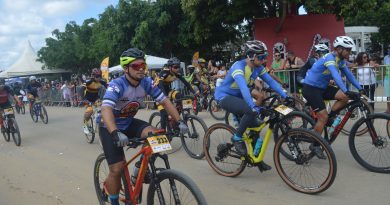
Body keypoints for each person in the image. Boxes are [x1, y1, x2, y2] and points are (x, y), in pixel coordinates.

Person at [99, 48, 188, 205]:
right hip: (109, 126)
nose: (141, 68)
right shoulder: (117, 85)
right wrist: (114, 133)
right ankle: (113, 201)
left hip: (128, 122)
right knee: (117, 168)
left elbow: (165, 101)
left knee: (156, 134)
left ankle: (138, 169)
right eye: (136, 66)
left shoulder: (146, 82)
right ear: (126, 68)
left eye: (143, 65)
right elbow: (106, 109)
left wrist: (179, 121)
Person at [215, 40, 293, 170]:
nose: (263, 60)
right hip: (224, 96)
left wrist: (286, 95)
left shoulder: (258, 68)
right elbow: (244, 89)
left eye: (265, 57)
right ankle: (237, 137)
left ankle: (256, 160)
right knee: (250, 111)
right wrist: (252, 106)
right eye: (261, 57)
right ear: (251, 55)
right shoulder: (238, 67)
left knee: (256, 126)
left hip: (239, 97)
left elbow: (271, 82)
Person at [302, 36, 364, 158]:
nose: (350, 53)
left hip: (323, 87)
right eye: (348, 50)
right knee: (322, 117)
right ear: (340, 49)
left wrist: (360, 87)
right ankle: (315, 145)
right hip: (311, 89)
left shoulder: (340, 60)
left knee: (344, 98)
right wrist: (346, 90)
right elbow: (336, 76)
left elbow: (349, 75)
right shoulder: (329, 58)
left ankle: (330, 117)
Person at [154, 57, 195, 130]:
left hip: (168, 90)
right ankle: (162, 133)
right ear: (170, 67)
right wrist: (164, 96)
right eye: (175, 67)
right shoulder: (164, 72)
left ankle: (175, 120)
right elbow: (160, 84)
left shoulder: (176, 74)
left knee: (181, 97)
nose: (177, 69)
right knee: (164, 115)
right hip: (158, 92)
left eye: (178, 67)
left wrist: (194, 93)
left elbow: (186, 83)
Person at [82, 68, 107, 134]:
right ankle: (85, 125)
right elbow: (81, 90)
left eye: (100, 76)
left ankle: (98, 121)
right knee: (90, 111)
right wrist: (83, 99)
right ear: (93, 76)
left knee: (103, 108)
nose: (98, 78)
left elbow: (109, 90)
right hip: (87, 99)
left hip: (96, 99)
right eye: (97, 76)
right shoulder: (88, 82)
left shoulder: (102, 82)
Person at [384, 45, 390, 113]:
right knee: (388, 95)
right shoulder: (386, 58)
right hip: (387, 78)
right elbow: (384, 68)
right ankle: (388, 109)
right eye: (389, 48)